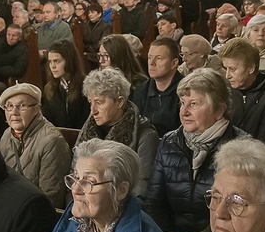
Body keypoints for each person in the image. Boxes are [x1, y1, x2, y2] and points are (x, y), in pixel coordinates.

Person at [35, 139, 168, 232]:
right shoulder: (68, 225)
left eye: (88, 182)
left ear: (120, 190)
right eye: (75, 178)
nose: (75, 189)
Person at [145, 68, 247, 232]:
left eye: (193, 104)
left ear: (219, 110)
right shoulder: (169, 142)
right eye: (182, 103)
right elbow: (154, 203)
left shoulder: (242, 147)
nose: (184, 112)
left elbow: (238, 213)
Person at [76, 67, 158, 197]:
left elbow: (140, 190)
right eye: (90, 102)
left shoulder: (145, 135)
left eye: (99, 102)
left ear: (120, 101)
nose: (93, 111)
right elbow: (74, 175)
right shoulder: (87, 130)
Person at [0, 83, 71, 209]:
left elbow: (51, 199)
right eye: (9, 106)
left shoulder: (51, 141)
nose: (14, 112)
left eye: (22, 106)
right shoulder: (7, 134)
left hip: (33, 213)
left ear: (37, 108)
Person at [219, 37, 265, 142]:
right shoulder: (225, 91)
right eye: (226, 68)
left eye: (233, 69)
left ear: (251, 69)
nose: (227, 75)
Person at [131, 38, 184, 137]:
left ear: (174, 63)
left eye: (159, 58)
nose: (152, 63)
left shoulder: (185, 91)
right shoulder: (141, 90)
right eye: (150, 57)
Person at [42, 39, 90, 129]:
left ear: (69, 61)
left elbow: (87, 121)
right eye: (50, 62)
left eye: (57, 61)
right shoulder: (49, 88)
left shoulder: (85, 85)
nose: (52, 66)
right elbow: (47, 121)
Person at [0, 23, 29, 102]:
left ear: (19, 37)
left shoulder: (23, 49)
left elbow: (18, 70)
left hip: (9, 81)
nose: (10, 38)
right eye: (8, 35)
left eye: (14, 36)